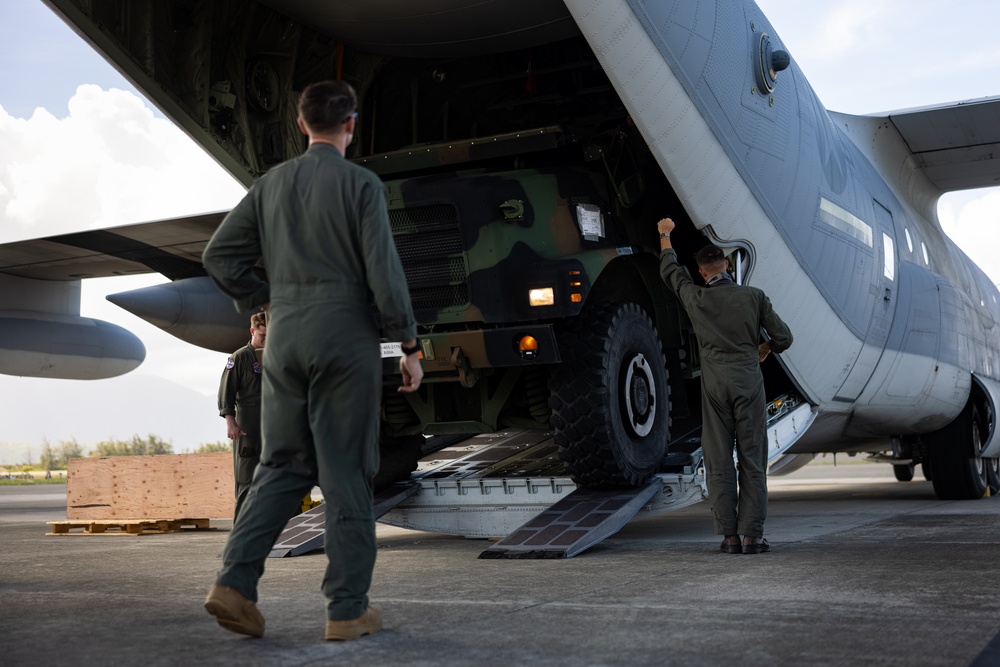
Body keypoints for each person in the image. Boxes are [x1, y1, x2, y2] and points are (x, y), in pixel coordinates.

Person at [201, 80, 424, 641]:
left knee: (280, 466)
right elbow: (385, 274)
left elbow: (219, 255)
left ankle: (234, 584)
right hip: (343, 337)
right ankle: (347, 609)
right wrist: (409, 345)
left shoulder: (270, 185)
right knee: (346, 472)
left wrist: (266, 299)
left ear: (302, 125)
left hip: (285, 339)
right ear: (350, 125)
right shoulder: (361, 186)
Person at [657, 217, 792, 555]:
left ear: (701, 272)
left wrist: (665, 235)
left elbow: (670, 271)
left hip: (715, 386)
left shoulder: (696, 297)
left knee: (719, 461)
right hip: (749, 383)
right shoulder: (754, 297)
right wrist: (764, 347)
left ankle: (729, 537)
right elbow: (784, 338)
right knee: (752, 460)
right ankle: (752, 536)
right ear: (728, 264)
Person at [217, 312, 266, 522]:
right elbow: (226, 392)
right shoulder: (239, 358)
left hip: (273, 418)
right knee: (247, 476)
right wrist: (231, 422)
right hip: (248, 419)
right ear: (252, 331)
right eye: (262, 335)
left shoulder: (275, 354)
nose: (266, 339)